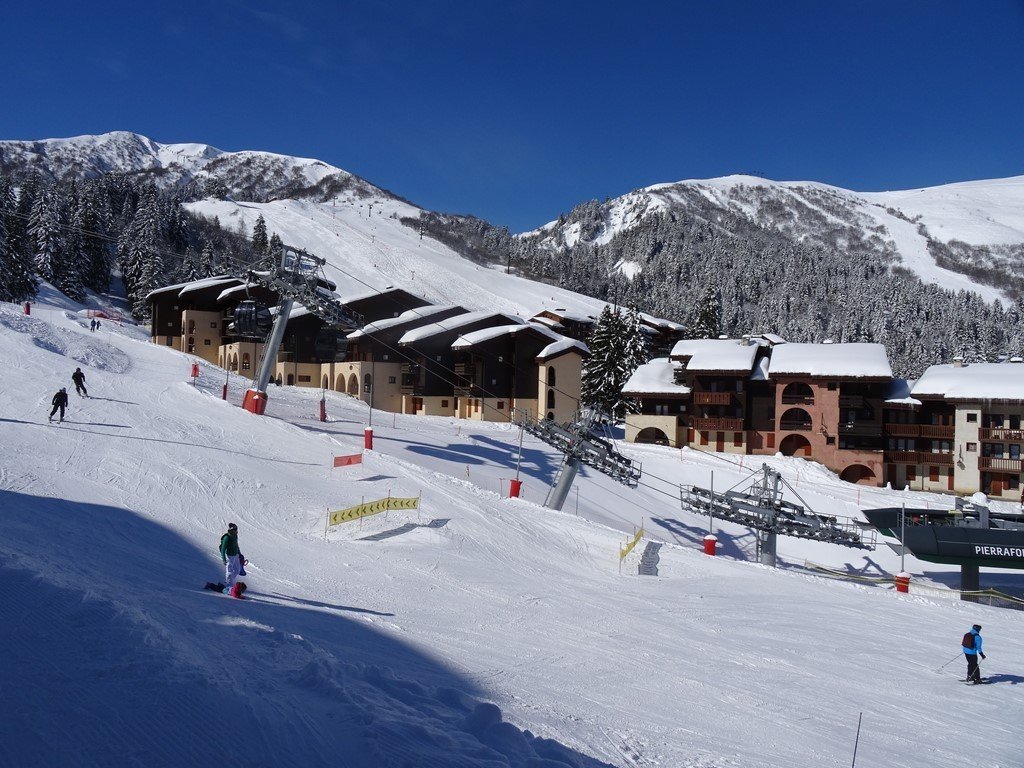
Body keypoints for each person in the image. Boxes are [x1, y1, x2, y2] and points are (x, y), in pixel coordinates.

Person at [220, 523, 242, 593]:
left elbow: (236, 545)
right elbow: (223, 549)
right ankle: (228, 585)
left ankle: (229, 582)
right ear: (232, 530)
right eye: (235, 530)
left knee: (237, 570)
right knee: (229, 571)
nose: (237, 531)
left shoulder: (235, 536)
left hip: (236, 555)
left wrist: (239, 554)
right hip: (229, 556)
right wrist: (224, 559)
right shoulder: (227, 537)